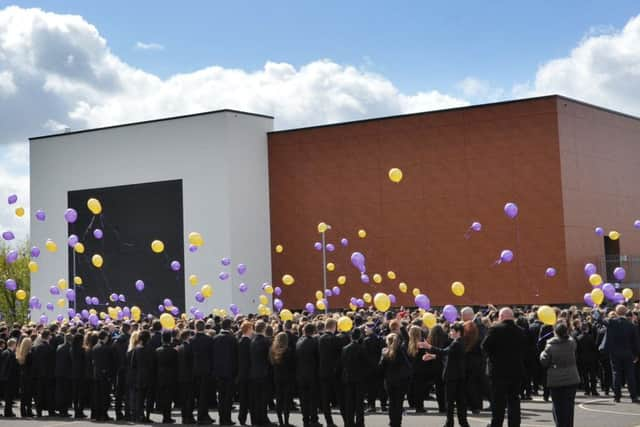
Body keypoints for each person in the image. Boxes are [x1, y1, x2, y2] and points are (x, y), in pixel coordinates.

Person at [482, 307, 526, 427]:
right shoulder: (520, 331)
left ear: (501, 317)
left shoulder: (495, 329)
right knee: (514, 401)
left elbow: (484, 347)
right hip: (516, 371)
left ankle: (496, 424)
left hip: (498, 372)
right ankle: (514, 424)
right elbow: (524, 350)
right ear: (512, 317)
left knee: (498, 402)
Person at [423, 322, 470, 427]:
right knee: (460, 401)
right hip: (459, 375)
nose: (450, 332)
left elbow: (444, 352)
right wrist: (433, 356)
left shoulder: (456, 343)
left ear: (458, 332)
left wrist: (429, 346)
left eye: (452, 331)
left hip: (452, 376)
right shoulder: (460, 342)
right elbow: (449, 356)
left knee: (450, 401)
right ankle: (462, 422)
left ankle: (450, 423)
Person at [539, 321, 580, 427]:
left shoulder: (550, 346)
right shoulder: (572, 343)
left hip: (555, 379)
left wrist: (542, 353)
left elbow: (544, 361)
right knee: (569, 406)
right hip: (571, 378)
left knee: (558, 406)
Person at [603, 305, 640, 403]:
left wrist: (598, 310)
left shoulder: (612, 322)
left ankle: (617, 396)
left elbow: (599, 319)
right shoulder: (631, 325)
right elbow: (636, 342)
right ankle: (634, 396)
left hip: (615, 353)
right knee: (630, 375)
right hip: (628, 353)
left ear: (616, 312)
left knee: (616, 374)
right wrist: (636, 355)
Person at [379, 333, 412, 427]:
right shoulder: (401, 351)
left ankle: (392, 421)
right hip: (401, 381)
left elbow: (381, 366)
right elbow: (408, 365)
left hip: (389, 381)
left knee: (392, 402)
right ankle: (398, 422)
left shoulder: (385, 352)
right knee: (399, 402)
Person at [341, 328, 369, 427]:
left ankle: (349, 422)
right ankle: (360, 422)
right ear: (360, 336)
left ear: (350, 336)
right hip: (360, 378)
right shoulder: (362, 348)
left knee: (349, 402)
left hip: (348, 378)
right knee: (359, 402)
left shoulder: (345, 349)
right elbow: (366, 363)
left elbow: (343, 363)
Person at [317, 318, 343, 427]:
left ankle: (329, 422)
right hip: (335, 373)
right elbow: (340, 356)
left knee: (325, 398)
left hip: (323, 371)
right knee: (340, 397)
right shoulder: (336, 339)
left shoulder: (319, 339)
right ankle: (346, 419)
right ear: (334, 327)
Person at [212, 318, 238, 426]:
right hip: (230, 372)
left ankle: (221, 418)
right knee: (228, 398)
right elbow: (236, 357)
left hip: (218, 372)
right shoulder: (232, 339)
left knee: (221, 397)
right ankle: (226, 418)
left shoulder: (215, 338)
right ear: (230, 326)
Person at [270, 331, 296, 427]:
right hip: (287, 377)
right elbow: (293, 365)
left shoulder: (273, 350)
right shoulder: (288, 350)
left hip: (277, 377)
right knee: (286, 400)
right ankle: (286, 421)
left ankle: (280, 421)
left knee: (279, 399)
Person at [191, 319, 214, 425]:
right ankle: (202, 416)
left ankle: (204, 414)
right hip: (206, 369)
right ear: (204, 327)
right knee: (204, 394)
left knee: (198, 394)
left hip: (195, 370)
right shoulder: (209, 339)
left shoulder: (191, 340)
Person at [250, 320, 273, 427]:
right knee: (264, 399)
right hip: (264, 373)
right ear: (264, 329)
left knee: (256, 398)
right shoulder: (266, 341)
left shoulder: (252, 341)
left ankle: (257, 419)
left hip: (254, 373)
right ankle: (263, 419)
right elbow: (270, 358)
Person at [296, 322, 320, 427]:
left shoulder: (299, 341)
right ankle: (314, 420)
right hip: (311, 374)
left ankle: (305, 420)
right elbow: (317, 357)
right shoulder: (314, 342)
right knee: (313, 399)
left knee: (304, 399)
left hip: (301, 374)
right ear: (313, 331)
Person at [155, 330, 178, 424]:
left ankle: (164, 415)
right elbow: (176, 364)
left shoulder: (157, 350)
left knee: (162, 396)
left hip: (160, 376)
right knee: (169, 398)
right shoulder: (173, 351)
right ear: (170, 339)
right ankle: (167, 416)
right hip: (171, 376)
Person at [31, 329, 55, 417]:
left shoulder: (36, 348)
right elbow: (52, 363)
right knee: (49, 394)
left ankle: (39, 411)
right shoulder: (50, 348)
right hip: (48, 374)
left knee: (39, 394)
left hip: (38, 374)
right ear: (48, 336)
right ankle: (51, 411)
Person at [363, 323, 386, 413]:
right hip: (380, 366)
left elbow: (364, 355)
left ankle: (371, 406)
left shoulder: (366, 340)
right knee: (381, 387)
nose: (365, 330)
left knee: (370, 388)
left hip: (370, 367)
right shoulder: (381, 339)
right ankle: (383, 405)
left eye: (366, 329)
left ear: (371, 329)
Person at [91, 330, 114, 421]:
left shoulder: (95, 347)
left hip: (96, 374)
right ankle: (104, 414)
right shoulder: (106, 348)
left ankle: (97, 414)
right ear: (105, 337)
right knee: (104, 396)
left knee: (97, 395)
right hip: (104, 375)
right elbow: (107, 363)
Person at [176, 329, 196, 425]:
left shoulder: (179, 348)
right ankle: (189, 416)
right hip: (190, 376)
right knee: (190, 398)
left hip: (181, 375)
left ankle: (184, 416)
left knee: (183, 398)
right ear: (188, 336)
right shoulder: (190, 348)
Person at [113, 322, 131, 421]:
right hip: (128, 368)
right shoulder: (131, 340)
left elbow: (113, 356)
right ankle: (128, 413)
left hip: (118, 369)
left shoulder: (116, 341)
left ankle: (118, 413)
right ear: (129, 329)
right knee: (128, 392)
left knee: (118, 393)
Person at [236, 321, 253, 426]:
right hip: (247, 373)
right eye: (251, 328)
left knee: (243, 398)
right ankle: (245, 418)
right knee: (248, 398)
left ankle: (242, 418)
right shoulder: (247, 342)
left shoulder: (239, 341)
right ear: (248, 329)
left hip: (241, 373)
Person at [16, 337, 34, 418]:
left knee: (23, 395)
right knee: (29, 395)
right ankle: (29, 411)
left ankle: (23, 411)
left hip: (22, 375)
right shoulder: (30, 354)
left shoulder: (20, 354)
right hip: (29, 376)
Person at [0, 338, 18, 417]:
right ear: (13, 344)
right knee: (9, 396)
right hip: (9, 378)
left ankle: (8, 411)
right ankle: (8, 412)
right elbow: (7, 367)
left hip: (6, 377)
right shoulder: (9, 353)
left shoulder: (5, 352)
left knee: (8, 396)